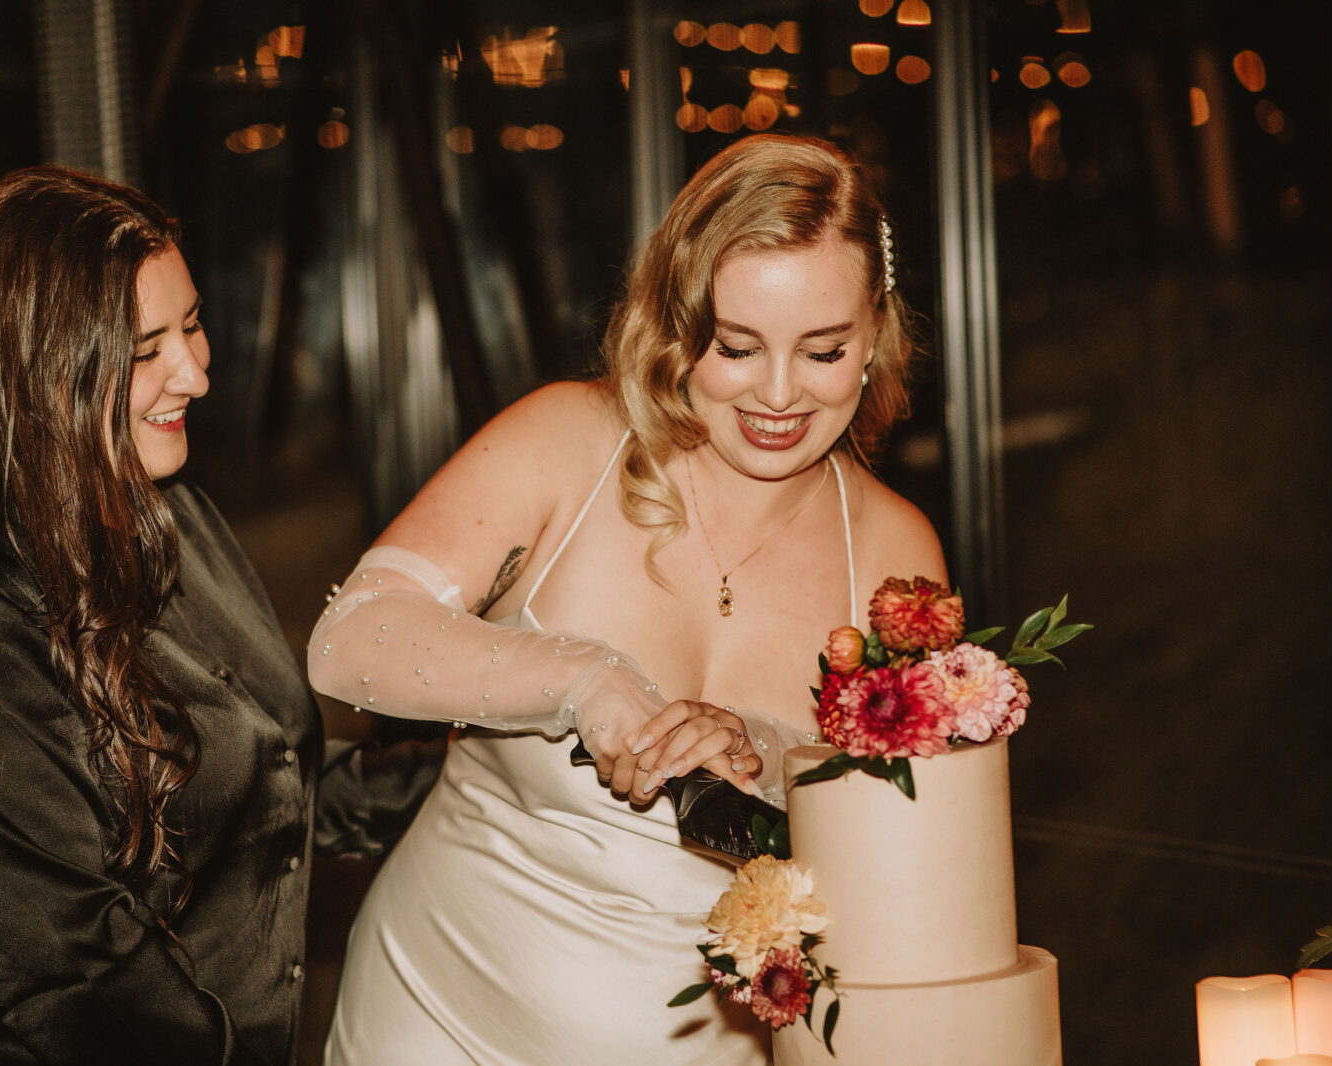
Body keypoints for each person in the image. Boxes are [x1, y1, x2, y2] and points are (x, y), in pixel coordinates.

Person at [307, 133, 948, 1064]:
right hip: (436, 1018)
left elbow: (913, 854)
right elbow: (349, 640)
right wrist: (578, 678)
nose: (778, 393)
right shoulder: (567, 439)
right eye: (735, 345)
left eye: (823, 350)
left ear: (874, 334)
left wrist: (771, 755)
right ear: (678, 319)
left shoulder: (896, 553)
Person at [0, 165, 440, 1066]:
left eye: (194, 324)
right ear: (39, 370)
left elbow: (269, 780)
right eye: (146, 350)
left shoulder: (175, 513)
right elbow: (79, 972)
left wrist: (502, 774)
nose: (197, 372)